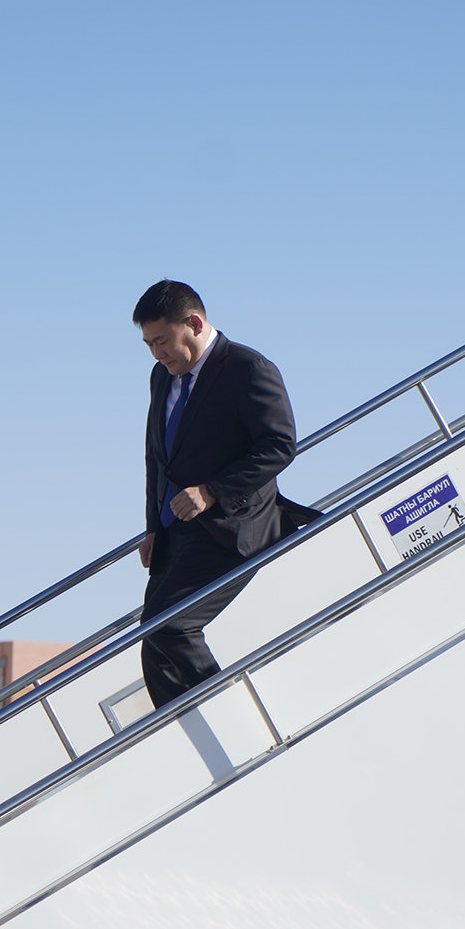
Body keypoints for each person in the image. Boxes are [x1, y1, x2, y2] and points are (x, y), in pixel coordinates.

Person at [133, 280, 313, 707]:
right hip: (175, 532)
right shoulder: (162, 376)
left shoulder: (248, 369)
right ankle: (172, 732)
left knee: (169, 627)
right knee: (154, 643)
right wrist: (153, 527)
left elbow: (279, 445)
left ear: (194, 324)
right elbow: (157, 456)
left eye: (162, 340)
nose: (156, 353)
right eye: (148, 344)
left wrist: (212, 491)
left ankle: (226, 715)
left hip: (230, 527)